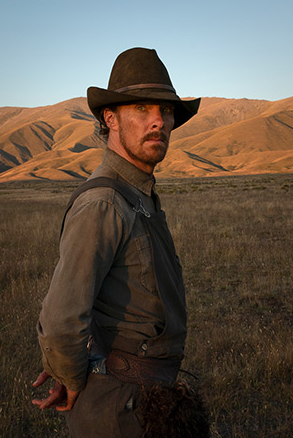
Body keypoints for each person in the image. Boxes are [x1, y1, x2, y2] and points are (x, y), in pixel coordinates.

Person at [32, 48, 206, 437]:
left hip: (145, 400)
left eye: (166, 111)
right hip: (118, 412)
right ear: (110, 118)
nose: (158, 122)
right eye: (142, 109)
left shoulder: (138, 194)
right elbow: (61, 320)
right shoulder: (104, 202)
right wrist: (73, 377)